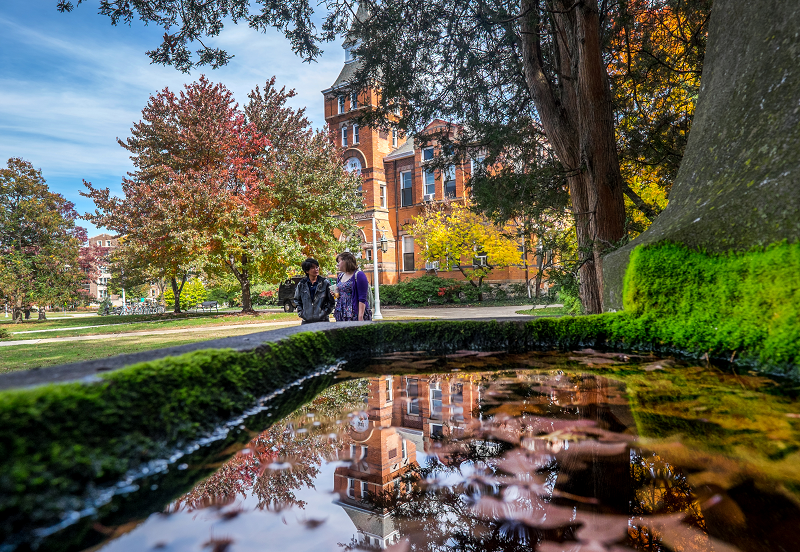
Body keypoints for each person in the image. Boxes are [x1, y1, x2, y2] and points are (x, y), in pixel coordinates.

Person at [293, 257, 335, 324]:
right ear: (307, 271)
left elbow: (331, 301)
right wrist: (302, 313)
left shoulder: (325, 283)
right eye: (313, 268)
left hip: (323, 321)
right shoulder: (302, 284)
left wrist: (324, 313)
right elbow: (297, 300)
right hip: (306, 321)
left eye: (317, 267)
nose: (316, 269)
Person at [333, 251, 372, 322]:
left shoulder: (359, 275)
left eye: (339, 262)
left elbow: (362, 298)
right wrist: (335, 293)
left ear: (346, 261)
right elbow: (338, 296)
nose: (337, 265)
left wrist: (360, 317)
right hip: (341, 312)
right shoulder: (340, 276)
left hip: (354, 313)